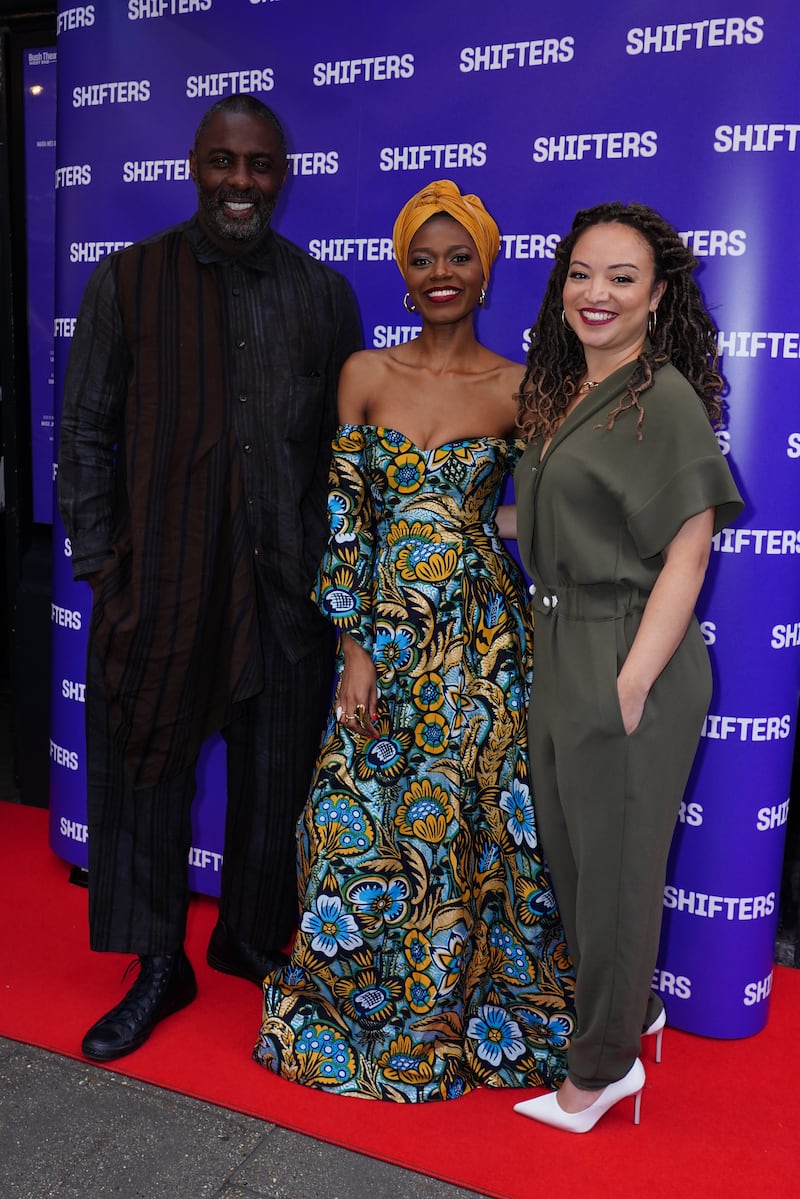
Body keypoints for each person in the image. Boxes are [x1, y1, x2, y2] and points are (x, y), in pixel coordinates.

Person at [253, 180, 574, 1101]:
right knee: (355, 821)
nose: (441, 273)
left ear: (486, 269)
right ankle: (361, 997)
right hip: (384, 640)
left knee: (474, 829)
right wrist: (355, 644)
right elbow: (345, 522)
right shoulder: (365, 372)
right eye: (423, 257)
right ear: (404, 271)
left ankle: (465, 1007)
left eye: (458, 256)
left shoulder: (520, 387)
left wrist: (476, 531)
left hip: (480, 642)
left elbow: (537, 513)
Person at [58, 94, 362, 1062]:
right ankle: (157, 960)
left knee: (275, 784)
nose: (242, 182)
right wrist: (109, 569)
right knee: (146, 777)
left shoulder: (322, 296)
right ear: (194, 164)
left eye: (261, 165)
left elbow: (340, 455)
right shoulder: (128, 282)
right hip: (165, 588)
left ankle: (242, 935)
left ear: (283, 175)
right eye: (226, 162)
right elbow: (82, 433)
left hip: (283, 593)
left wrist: (331, 587)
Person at [509, 201, 744, 1132]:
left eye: (621, 278)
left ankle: (602, 1070)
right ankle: (633, 1013)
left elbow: (688, 556)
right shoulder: (561, 386)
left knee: (612, 877)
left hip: (625, 649)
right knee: (576, 866)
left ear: (655, 299)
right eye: (581, 273)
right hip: (561, 641)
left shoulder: (664, 397)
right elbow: (556, 516)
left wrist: (632, 684)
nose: (595, 293)